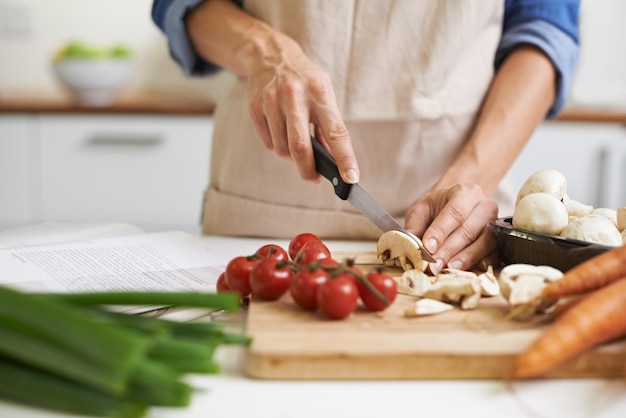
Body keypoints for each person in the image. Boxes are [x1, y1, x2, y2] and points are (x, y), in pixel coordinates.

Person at [151, 0, 580, 274]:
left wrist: (471, 176)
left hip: (454, 212)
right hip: (260, 207)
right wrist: (263, 50)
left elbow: (545, 31)